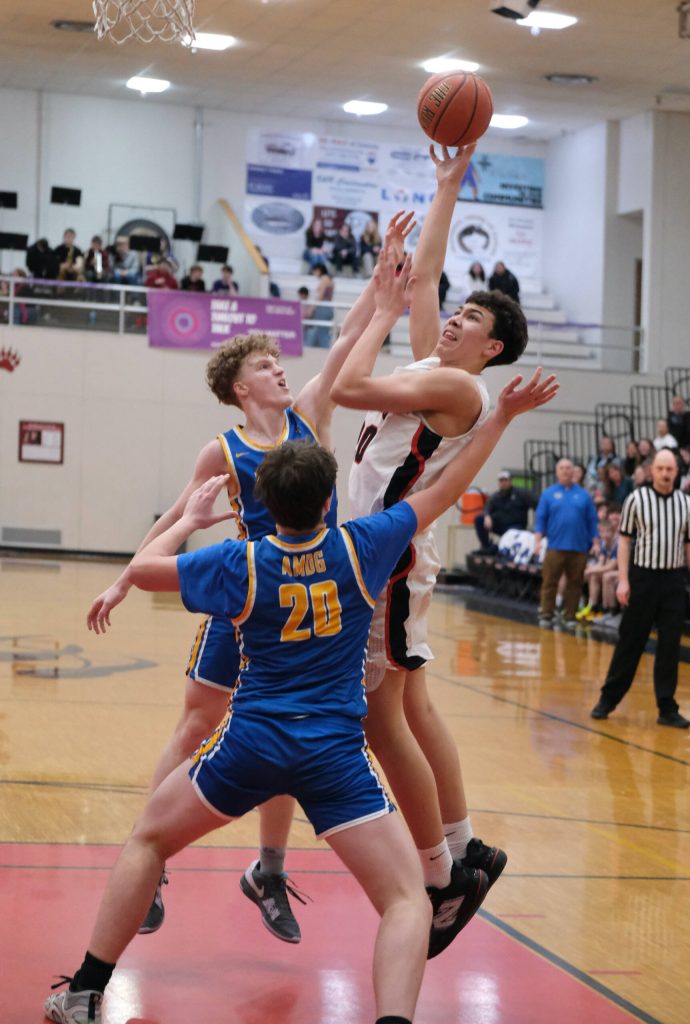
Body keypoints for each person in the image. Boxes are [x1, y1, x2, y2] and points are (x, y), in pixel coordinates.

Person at [43, 313, 557, 1024]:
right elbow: (445, 486)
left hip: (249, 746)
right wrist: (497, 416)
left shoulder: (239, 562)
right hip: (334, 759)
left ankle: (86, 990)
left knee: (150, 837)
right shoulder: (364, 546)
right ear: (328, 500)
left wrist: (189, 520)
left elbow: (142, 567)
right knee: (409, 900)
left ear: (259, 502)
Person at [85, 212, 415, 942]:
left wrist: (379, 286)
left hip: (320, 595)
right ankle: (152, 859)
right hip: (249, 596)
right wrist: (121, 582)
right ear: (240, 385)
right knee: (197, 723)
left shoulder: (310, 414)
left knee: (293, 731)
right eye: (266, 364)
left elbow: (344, 345)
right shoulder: (222, 450)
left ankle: (267, 868)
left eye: (278, 362)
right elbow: (178, 516)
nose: (280, 368)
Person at [332, 144, 558, 955]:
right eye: (457, 313)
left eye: (473, 321)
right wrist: (448, 182)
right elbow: (427, 277)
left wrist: (380, 313)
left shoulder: (459, 387)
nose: (455, 316)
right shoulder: (443, 365)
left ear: (491, 349)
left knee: (379, 718)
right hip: (386, 556)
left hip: (387, 563)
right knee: (409, 709)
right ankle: (465, 849)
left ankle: (441, 879)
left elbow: (350, 389)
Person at [591, 449, 690, 728]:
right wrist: (623, 580)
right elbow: (623, 541)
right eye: (660, 468)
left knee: (670, 645)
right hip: (643, 577)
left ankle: (667, 707)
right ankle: (608, 699)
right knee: (630, 641)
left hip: (673, 580)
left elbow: (688, 545)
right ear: (652, 471)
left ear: (676, 472)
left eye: (670, 469)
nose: (665, 474)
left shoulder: (686, 503)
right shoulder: (636, 499)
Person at [534, 458, 599, 630]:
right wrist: (537, 541)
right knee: (549, 581)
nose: (565, 471)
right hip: (555, 546)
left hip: (579, 547)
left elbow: (592, 521)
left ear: (574, 471)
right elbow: (540, 519)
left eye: (568, 468)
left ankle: (570, 615)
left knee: (575, 583)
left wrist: (596, 541)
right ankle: (547, 613)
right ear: (557, 472)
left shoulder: (584, 495)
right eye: (562, 468)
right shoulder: (548, 494)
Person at [474, 469, 536, 552]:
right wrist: (487, 516)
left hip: (516, 526)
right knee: (479, 519)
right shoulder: (495, 496)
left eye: (505, 480)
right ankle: (487, 546)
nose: (503, 483)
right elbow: (487, 508)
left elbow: (538, 505)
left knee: (511, 534)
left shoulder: (522, 493)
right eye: (501, 480)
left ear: (510, 481)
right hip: (500, 526)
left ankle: (505, 550)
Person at [303, 264, 334, 348]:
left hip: (323, 308)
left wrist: (311, 309)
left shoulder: (324, 279)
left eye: (315, 271)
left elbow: (320, 296)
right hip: (326, 307)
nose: (314, 273)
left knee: (322, 333)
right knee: (321, 332)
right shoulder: (329, 279)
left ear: (319, 270)